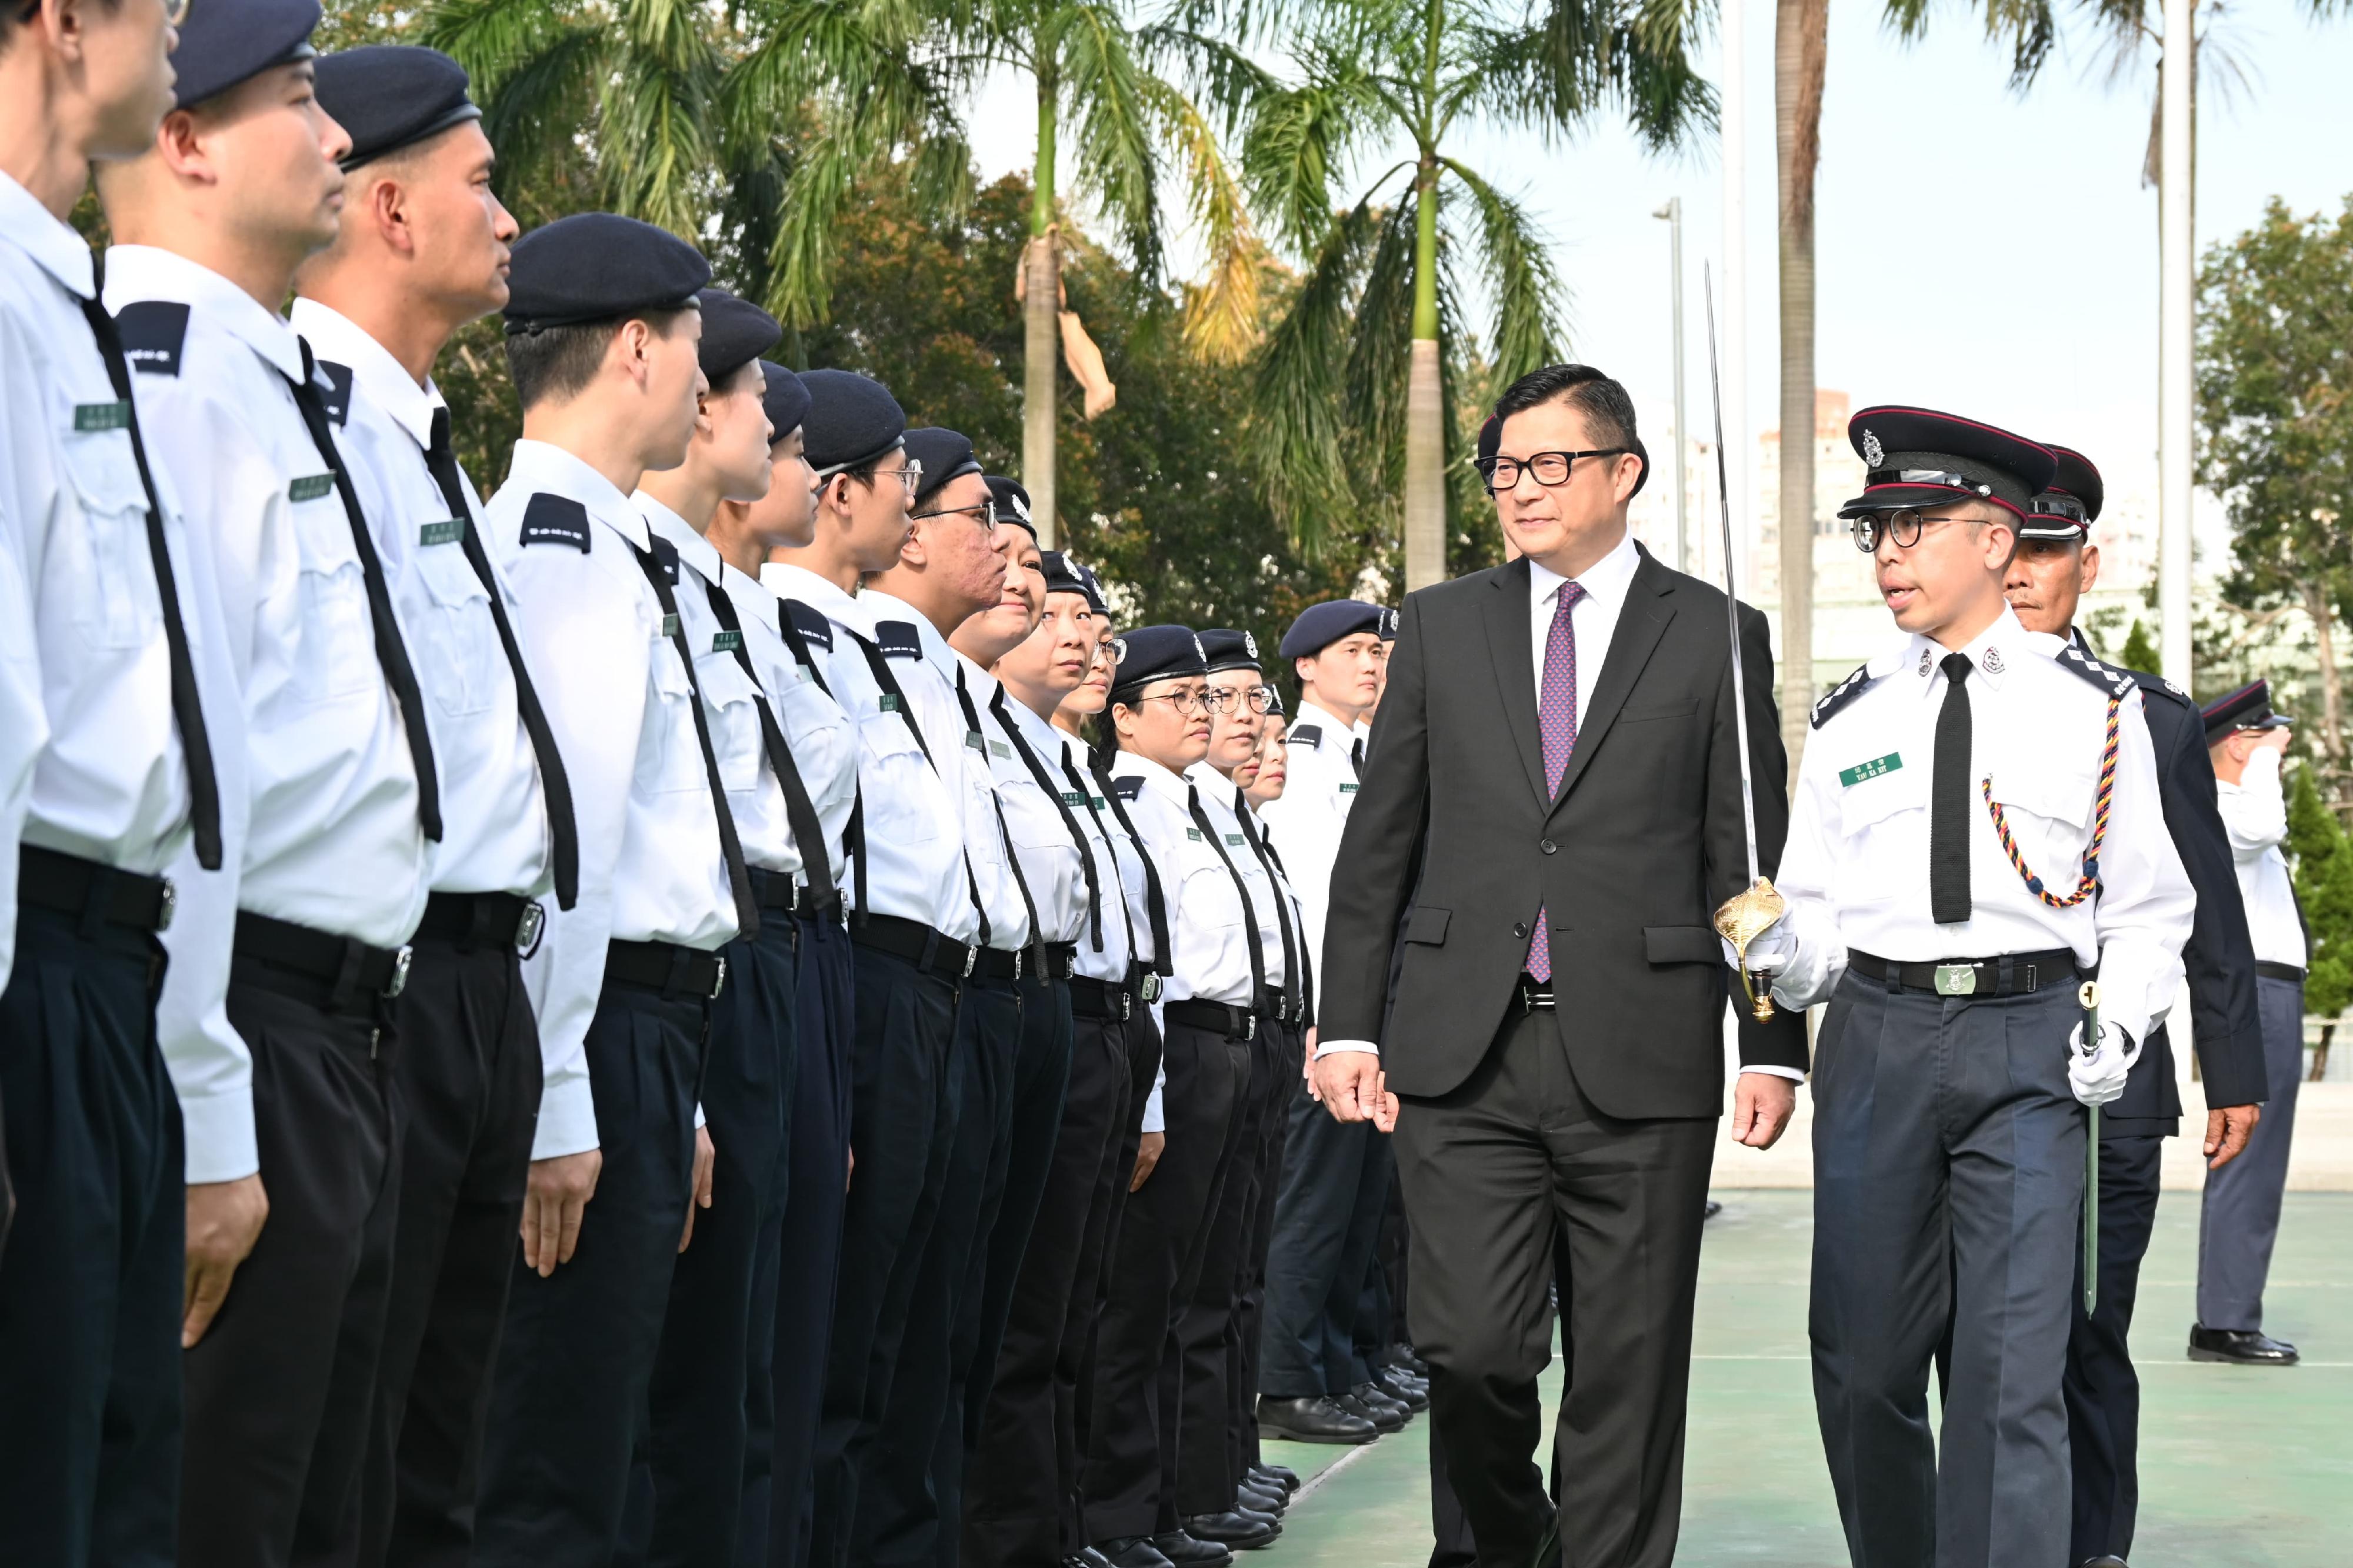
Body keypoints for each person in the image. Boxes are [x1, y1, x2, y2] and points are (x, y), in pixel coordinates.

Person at [1315, 363, 1807, 1568]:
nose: (1518, 489)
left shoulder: (1711, 634)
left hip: (1641, 1054)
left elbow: (1746, 859)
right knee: (1471, 1348)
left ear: (1620, 472)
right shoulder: (1436, 624)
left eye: (1548, 464)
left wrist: (1770, 1040)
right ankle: (1502, 1540)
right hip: (1459, 1051)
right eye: (1502, 470)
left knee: (1627, 1372)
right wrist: (1346, 1025)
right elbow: (1381, 842)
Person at [99, 6, 449, 1558]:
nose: (329, 136)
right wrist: (213, 1108)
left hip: (342, 1027)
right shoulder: (171, 379)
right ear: (184, 143)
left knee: (329, 1504)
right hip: (245, 1013)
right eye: (298, 102)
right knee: (228, 1502)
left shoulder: (278, 388)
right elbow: (174, 768)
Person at [1747, 405, 2194, 1568]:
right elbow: (1818, 914)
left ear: (1995, 540)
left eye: (1915, 527)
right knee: (1861, 1366)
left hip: (2031, 1037)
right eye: (1876, 533)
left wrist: (2125, 1020)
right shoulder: (1851, 719)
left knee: (2009, 1373)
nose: (1888, 554)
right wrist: (1781, 952)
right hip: (1879, 1037)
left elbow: (2148, 908)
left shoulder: (2095, 713)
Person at [292, 46, 582, 1566]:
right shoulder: (309, 425)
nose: (511, 216)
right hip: (378, 991)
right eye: (483, 183)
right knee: (347, 1446)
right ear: (391, 210)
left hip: (481, 992)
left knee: (437, 1455)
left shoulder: (423, 451)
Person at [470, 212, 748, 1564]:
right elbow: (554, 850)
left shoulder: (608, 546)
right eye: (696, 350)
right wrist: (563, 1096)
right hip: (587, 1036)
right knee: (549, 1459)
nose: (706, 390)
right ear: (634, 346)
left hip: (637, 1035)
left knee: (604, 1440)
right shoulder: (557, 549)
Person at [0, 0, 213, 1559]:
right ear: (68, 19)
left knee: (114, 1490)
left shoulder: (60, 296)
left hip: (108, 978)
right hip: (35, 978)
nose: (184, 42)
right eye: (172, 12)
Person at [1999, 443, 2267, 1567]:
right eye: (2006, 546)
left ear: (2086, 565)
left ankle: (2091, 1545)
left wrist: (2236, 1069)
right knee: (1988, 1338)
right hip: (1971, 1070)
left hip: (2117, 1075)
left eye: (2047, 550)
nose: (2022, 571)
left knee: (2087, 1328)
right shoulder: (1916, 707)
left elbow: (2203, 898)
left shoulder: (2145, 718)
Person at [626, 287, 836, 1566]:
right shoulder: (602, 560)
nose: (777, 425)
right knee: (674, 1378)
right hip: (684, 972)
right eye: (763, 401)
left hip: (763, 965)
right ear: (699, 413)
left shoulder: (721, 598)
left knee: (761, 1355)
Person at [759, 379, 984, 1568]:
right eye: (894, 475)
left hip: (913, 993)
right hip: (849, 979)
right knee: (839, 1346)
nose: (906, 496)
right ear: (837, 491)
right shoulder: (789, 624)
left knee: (904, 1331)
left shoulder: (861, 642)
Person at [852, 427, 1039, 1568]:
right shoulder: (844, 650)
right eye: (981, 519)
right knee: (868, 1343)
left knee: (948, 1328)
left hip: (967, 1003)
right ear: (905, 527)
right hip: (887, 993)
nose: (1008, 555)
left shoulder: (940, 680)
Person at [715, 361, 862, 1568]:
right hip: (722, 959)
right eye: (780, 431)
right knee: (709, 1360)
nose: (789, 459)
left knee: (790, 1334)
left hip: (795, 956)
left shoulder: (770, 618)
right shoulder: (621, 575)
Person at [1089, 626, 1261, 1568]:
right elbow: (1150, 959)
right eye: (1180, 698)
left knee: (1202, 1284)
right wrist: (1152, 1092)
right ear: (1124, 718)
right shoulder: (1139, 804)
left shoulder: (1194, 801)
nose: (1204, 713)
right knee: (1147, 1295)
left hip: (1230, 1047)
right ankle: (1124, 1510)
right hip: (1181, 1049)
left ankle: (1180, 1496)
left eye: (1209, 696)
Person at [1255, 600, 1395, 1446]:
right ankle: (1288, 1378)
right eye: (1353, 651)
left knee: (1356, 1205)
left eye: (1378, 650)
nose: (1373, 664)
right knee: (1312, 1204)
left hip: (1363, 1022)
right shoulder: (1306, 764)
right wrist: (1328, 1021)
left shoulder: (1357, 757)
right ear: (1306, 667)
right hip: (1325, 1025)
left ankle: (1339, 1366)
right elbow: (1316, 909)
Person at [1168, 629, 1294, 1552]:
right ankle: (1189, 1485)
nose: (1241, 721)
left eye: (1254, 701)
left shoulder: (1229, 816)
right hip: (1198, 1046)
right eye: (1216, 700)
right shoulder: (1165, 808)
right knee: (1186, 1288)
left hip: (1261, 1040)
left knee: (1238, 1272)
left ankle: (1227, 1461)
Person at [2192, 678, 2309, 1369]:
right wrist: (2260, 756)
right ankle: (2226, 1319)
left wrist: (2259, 755)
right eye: (2270, 741)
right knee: (2251, 1158)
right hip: (2257, 990)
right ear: (2238, 742)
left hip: (2272, 988)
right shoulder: (2225, 806)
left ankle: (2229, 1310)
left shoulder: (2236, 803)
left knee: (2258, 1160)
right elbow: (2265, 825)